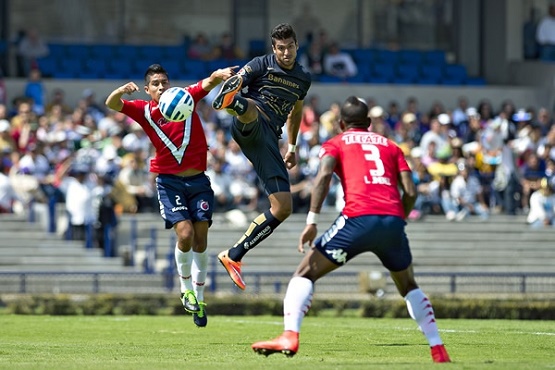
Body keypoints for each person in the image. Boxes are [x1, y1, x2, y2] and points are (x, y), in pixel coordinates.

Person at [251, 96, 451, 363]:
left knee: (304, 273)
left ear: (341, 123)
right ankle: (437, 348)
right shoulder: (392, 146)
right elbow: (411, 191)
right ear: (368, 123)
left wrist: (312, 220)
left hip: (357, 219)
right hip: (392, 219)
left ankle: (290, 335)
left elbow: (323, 177)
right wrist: (398, 218)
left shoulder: (336, 142)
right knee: (408, 285)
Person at [105, 63, 237, 327]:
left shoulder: (185, 97)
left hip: (199, 180)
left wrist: (218, 76)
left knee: (201, 239)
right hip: (169, 183)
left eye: (164, 81)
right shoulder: (144, 110)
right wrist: (121, 90)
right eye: (155, 83)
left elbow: (207, 83)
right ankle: (185, 288)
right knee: (185, 234)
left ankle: (199, 298)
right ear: (147, 89)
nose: (161, 86)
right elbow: (112, 103)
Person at [210, 23, 312, 290]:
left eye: (290, 47)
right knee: (252, 109)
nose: (286, 52)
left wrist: (292, 146)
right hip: (250, 122)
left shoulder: (303, 78)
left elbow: (296, 111)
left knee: (283, 207)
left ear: (296, 45)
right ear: (273, 48)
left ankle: (233, 256)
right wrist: (237, 83)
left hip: (268, 141)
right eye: (281, 48)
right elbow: (242, 77)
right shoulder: (261, 64)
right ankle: (232, 101)